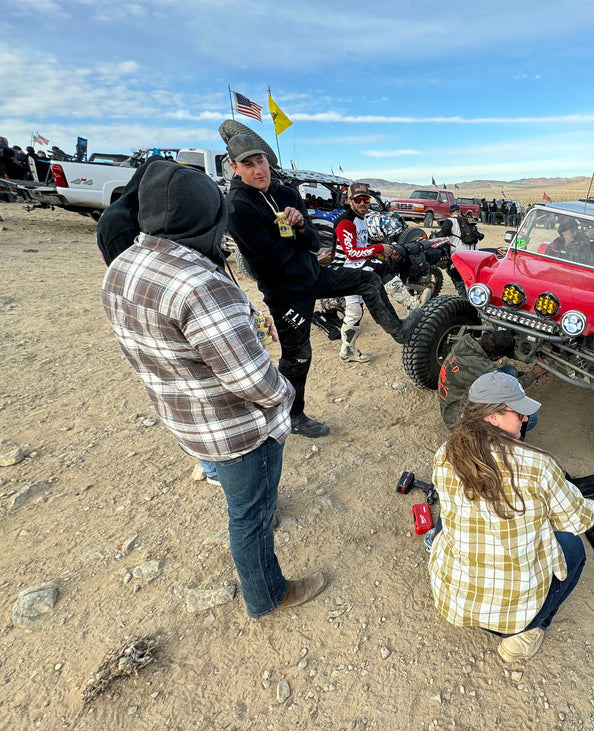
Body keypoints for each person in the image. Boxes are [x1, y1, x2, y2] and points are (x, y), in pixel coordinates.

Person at [101, 160, 326, 618]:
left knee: (244, 498)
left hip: (183, 413)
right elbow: (253, 382)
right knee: (251, 518)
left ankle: (251, 509)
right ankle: (268, 595)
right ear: (209, 215)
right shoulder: (200, 284)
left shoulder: (124, 264)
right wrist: (286, 395)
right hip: (235, 429)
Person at [427, 372, 594, 662]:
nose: (525, 419)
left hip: (456, 600)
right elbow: (579, 519)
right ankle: (526, 633)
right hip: (512, 614)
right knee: (572, 547)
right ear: (493, 417)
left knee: (447, 519)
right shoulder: (537, 466)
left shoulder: (446, 452)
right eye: (518, 412)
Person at [225, 135, 421, 437]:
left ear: (268, 160)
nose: (257, 169)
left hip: (314, 275)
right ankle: (293, 416)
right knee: (298, 357)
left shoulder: (286, 194)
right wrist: (296, 239)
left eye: (260, 160)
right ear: (235, 167)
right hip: (286, 293)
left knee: (369, 280)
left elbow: (314, 243)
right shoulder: (238, 207)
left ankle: (399, 332)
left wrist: (302, 227)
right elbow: (274, 258)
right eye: (247, 164)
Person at [328, 182, 397, 363]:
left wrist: (382, 250)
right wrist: (379, 248)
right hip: (345, 269)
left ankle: (409, 307)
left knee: (385, 269)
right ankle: (347, 350)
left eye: (366, 199)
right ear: (350, 201)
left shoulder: (362, 219)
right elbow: (351, 253)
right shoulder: (346, 222)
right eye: (358, 200)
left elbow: (362, 246)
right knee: (355, 312)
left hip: (356, 266)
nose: (363, 203)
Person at [437, 329, 544, 430]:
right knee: (529, 419)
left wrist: (524, 374)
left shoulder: (464, 343)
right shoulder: (482, 368)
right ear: (496, 357)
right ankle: (504, 442)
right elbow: (509, 389)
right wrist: (534, 374)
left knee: (510, 371)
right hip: (460, 422)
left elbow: (492, 376)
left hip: (453, 405)